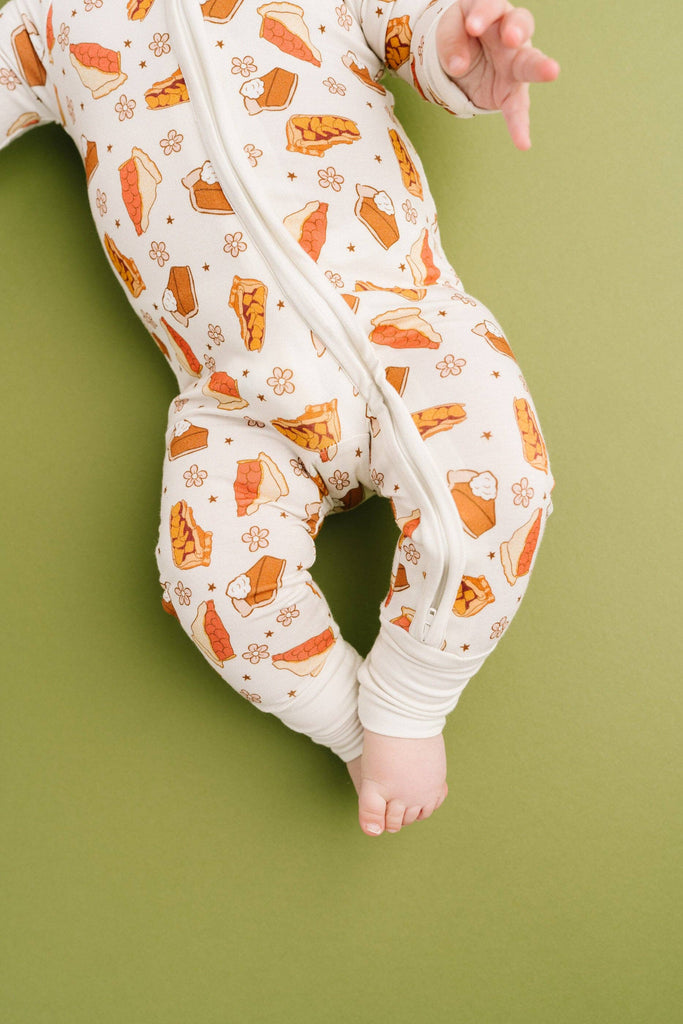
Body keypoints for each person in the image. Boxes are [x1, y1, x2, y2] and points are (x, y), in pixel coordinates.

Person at [0, 0, 559, 836]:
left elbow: (407, 21)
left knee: (502, 485)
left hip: (408, 328)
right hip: (237, 398)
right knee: (207, 578)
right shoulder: (48, 19)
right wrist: (347, 721)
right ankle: (350, 723)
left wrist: (459, 49)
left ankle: (412, 694)